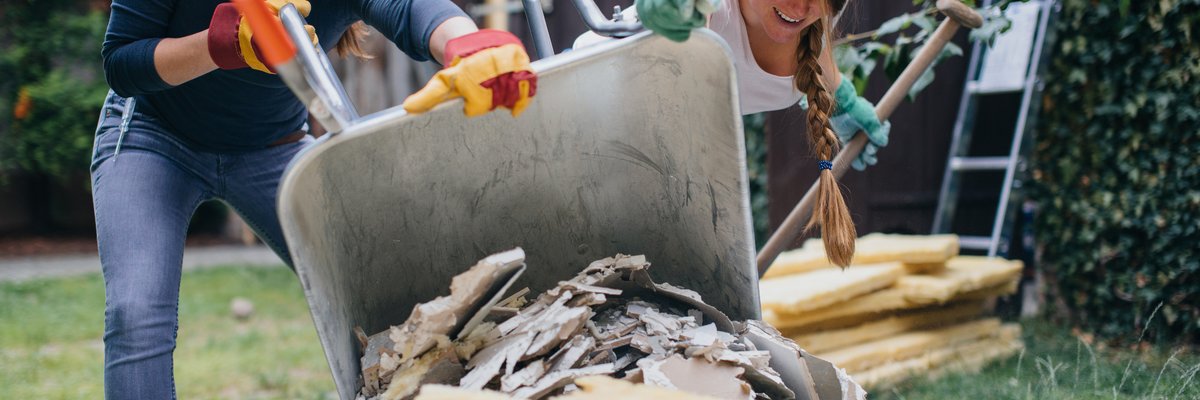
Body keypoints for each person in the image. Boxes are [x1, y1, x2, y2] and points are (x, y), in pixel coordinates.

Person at [95, 0, 535, 397]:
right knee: (136, 315)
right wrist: (216, 46)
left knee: (384, 293)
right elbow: (122, 63)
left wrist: (470, 43)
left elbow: (411, 8)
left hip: (272, 147)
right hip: (154, 138)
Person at [582, 0, 889, 265]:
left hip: (643, 153)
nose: (799, 8)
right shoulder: (710, 10)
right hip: (584, 97)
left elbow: (819, 58)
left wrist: (845, 104)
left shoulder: (818, 13)